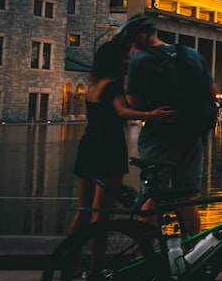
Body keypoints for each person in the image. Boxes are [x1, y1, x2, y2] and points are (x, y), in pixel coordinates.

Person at [117, 13, 217, 236]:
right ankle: (192, 253)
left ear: (141, 36)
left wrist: (151, 111)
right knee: (188, 198)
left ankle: (146, 255)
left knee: (151, 198)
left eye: (133, 41)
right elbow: (212, 92)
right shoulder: (191, 53)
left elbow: (135, 105)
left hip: (158, 138)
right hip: (193, 136)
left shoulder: (140, 61)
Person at [69, 40, 176, 234]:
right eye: (125, 59)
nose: (128, 63)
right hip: (109, 147)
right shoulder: (113, 86)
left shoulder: (93, 85)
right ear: (115, 62)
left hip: (87, 145)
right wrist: (151, 115)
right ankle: (97, 264)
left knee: (84, 210)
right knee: (102, 212)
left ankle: (69, 258)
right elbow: (122, 111)